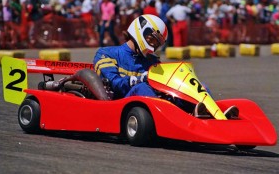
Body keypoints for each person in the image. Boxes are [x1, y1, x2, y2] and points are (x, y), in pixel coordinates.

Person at [93, 14, 239, 118]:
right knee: (142, 87)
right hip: (120, 104)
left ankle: (212, 114)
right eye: (152, 40)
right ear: (141, 31)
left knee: (195, 86)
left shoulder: (152, 61)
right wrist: (142, 79)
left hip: (152, 105)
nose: (154, 46)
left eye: (158, 43)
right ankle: (178, 118)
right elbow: (114, 83)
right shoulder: (107, 53)